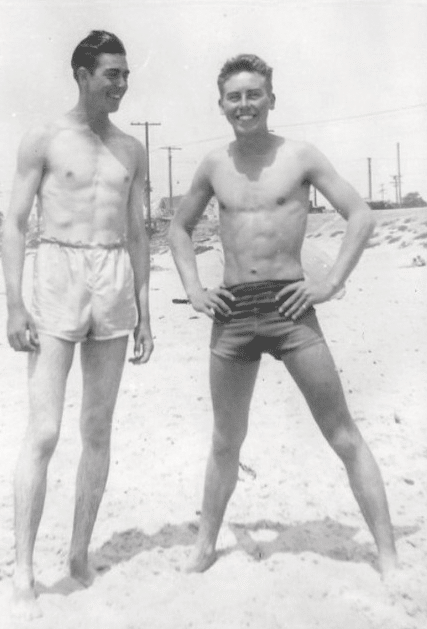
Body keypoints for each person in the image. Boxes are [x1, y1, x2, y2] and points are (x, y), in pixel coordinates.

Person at [169, 54, 397, 578]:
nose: (244, 104)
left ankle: (386, 553)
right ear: (221, 104)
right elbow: (178, 228)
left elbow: (361, 215)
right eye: (234, 96)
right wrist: (195, 291)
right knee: (226, 439)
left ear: (272, 98)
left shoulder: (300, 156)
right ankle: (205, 545)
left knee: (341, 433)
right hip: (233, 312)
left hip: (291, 307)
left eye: (254, 94)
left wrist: (331, 282)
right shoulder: (213, 164)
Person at [2, 30, 153, 620]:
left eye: (125, 76)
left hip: (113, 278)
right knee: (43, 432)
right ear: (82, 74)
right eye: (111, 74)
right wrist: (14, 304)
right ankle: (22, 568)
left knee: (99, 428)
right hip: (57, 273)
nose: (120, 85)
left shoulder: (131, 149)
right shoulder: (45, 136)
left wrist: (143, 307)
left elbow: (139, 231)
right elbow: (14, 223)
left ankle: (80, 553)